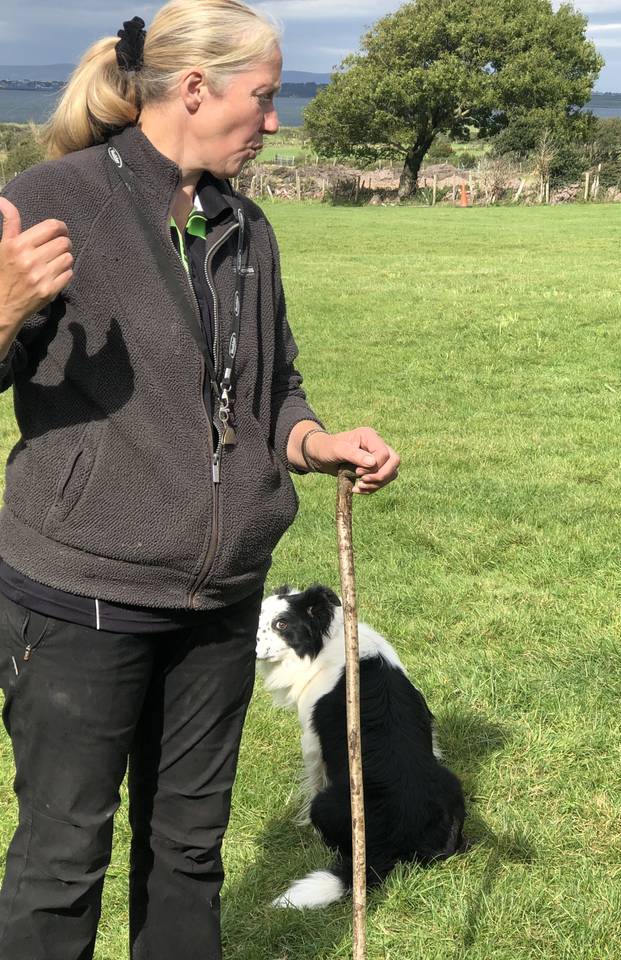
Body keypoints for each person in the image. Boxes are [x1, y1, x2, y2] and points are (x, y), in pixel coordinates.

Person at [0, 2, 400, 957]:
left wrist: (314, 440)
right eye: (263, 98)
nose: (273, 119)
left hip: (218, 603)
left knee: (188, 854)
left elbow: (273, 390)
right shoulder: (56, 197)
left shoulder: (246, 228)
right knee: (61, 861)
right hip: (78, 601)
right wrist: (2, 307)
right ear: (193, 88)